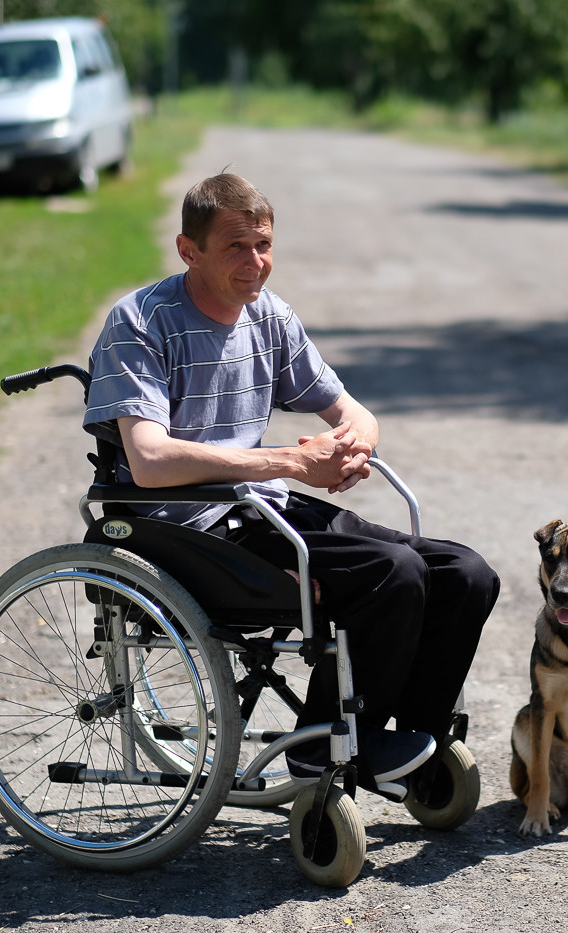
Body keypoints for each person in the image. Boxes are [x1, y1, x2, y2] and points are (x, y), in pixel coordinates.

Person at [83, 172, 500, 801]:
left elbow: (354, 412)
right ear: (187, 249)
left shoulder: (268, 318)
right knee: (393, 573)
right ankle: (322, 749)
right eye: (235, 247)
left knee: (466, 573)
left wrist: (351, 445)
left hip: (259, 511)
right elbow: (150, 462)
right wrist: (292, 463)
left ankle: (409, 739)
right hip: (179, 526)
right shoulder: (141, 322)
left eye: (264, 245)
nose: (256, 264)